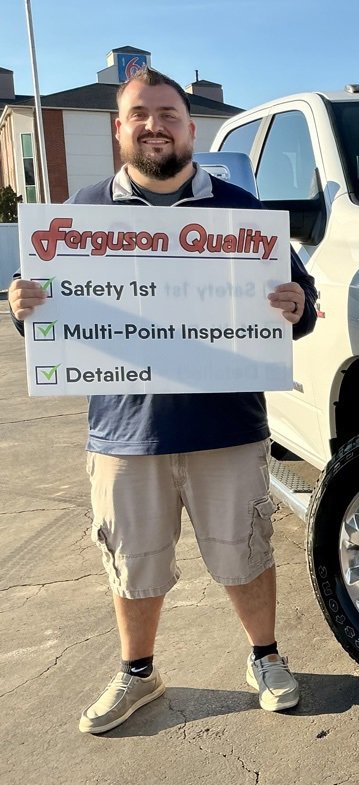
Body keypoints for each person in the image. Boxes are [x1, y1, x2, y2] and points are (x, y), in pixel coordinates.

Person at [8, 67, 317, 734]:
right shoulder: (77, 214)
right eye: (139, 113)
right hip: (124, 430)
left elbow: (300, 301)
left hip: (226, 427)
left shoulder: (243, 212)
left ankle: (264, 656)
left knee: (247, 550)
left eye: (168, 113)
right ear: (119, 128)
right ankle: (139, 673)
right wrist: (22, 304)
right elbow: (41, 311)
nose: (154, 124)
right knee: (132, 561)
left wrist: (299, 304)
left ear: (190, 126)